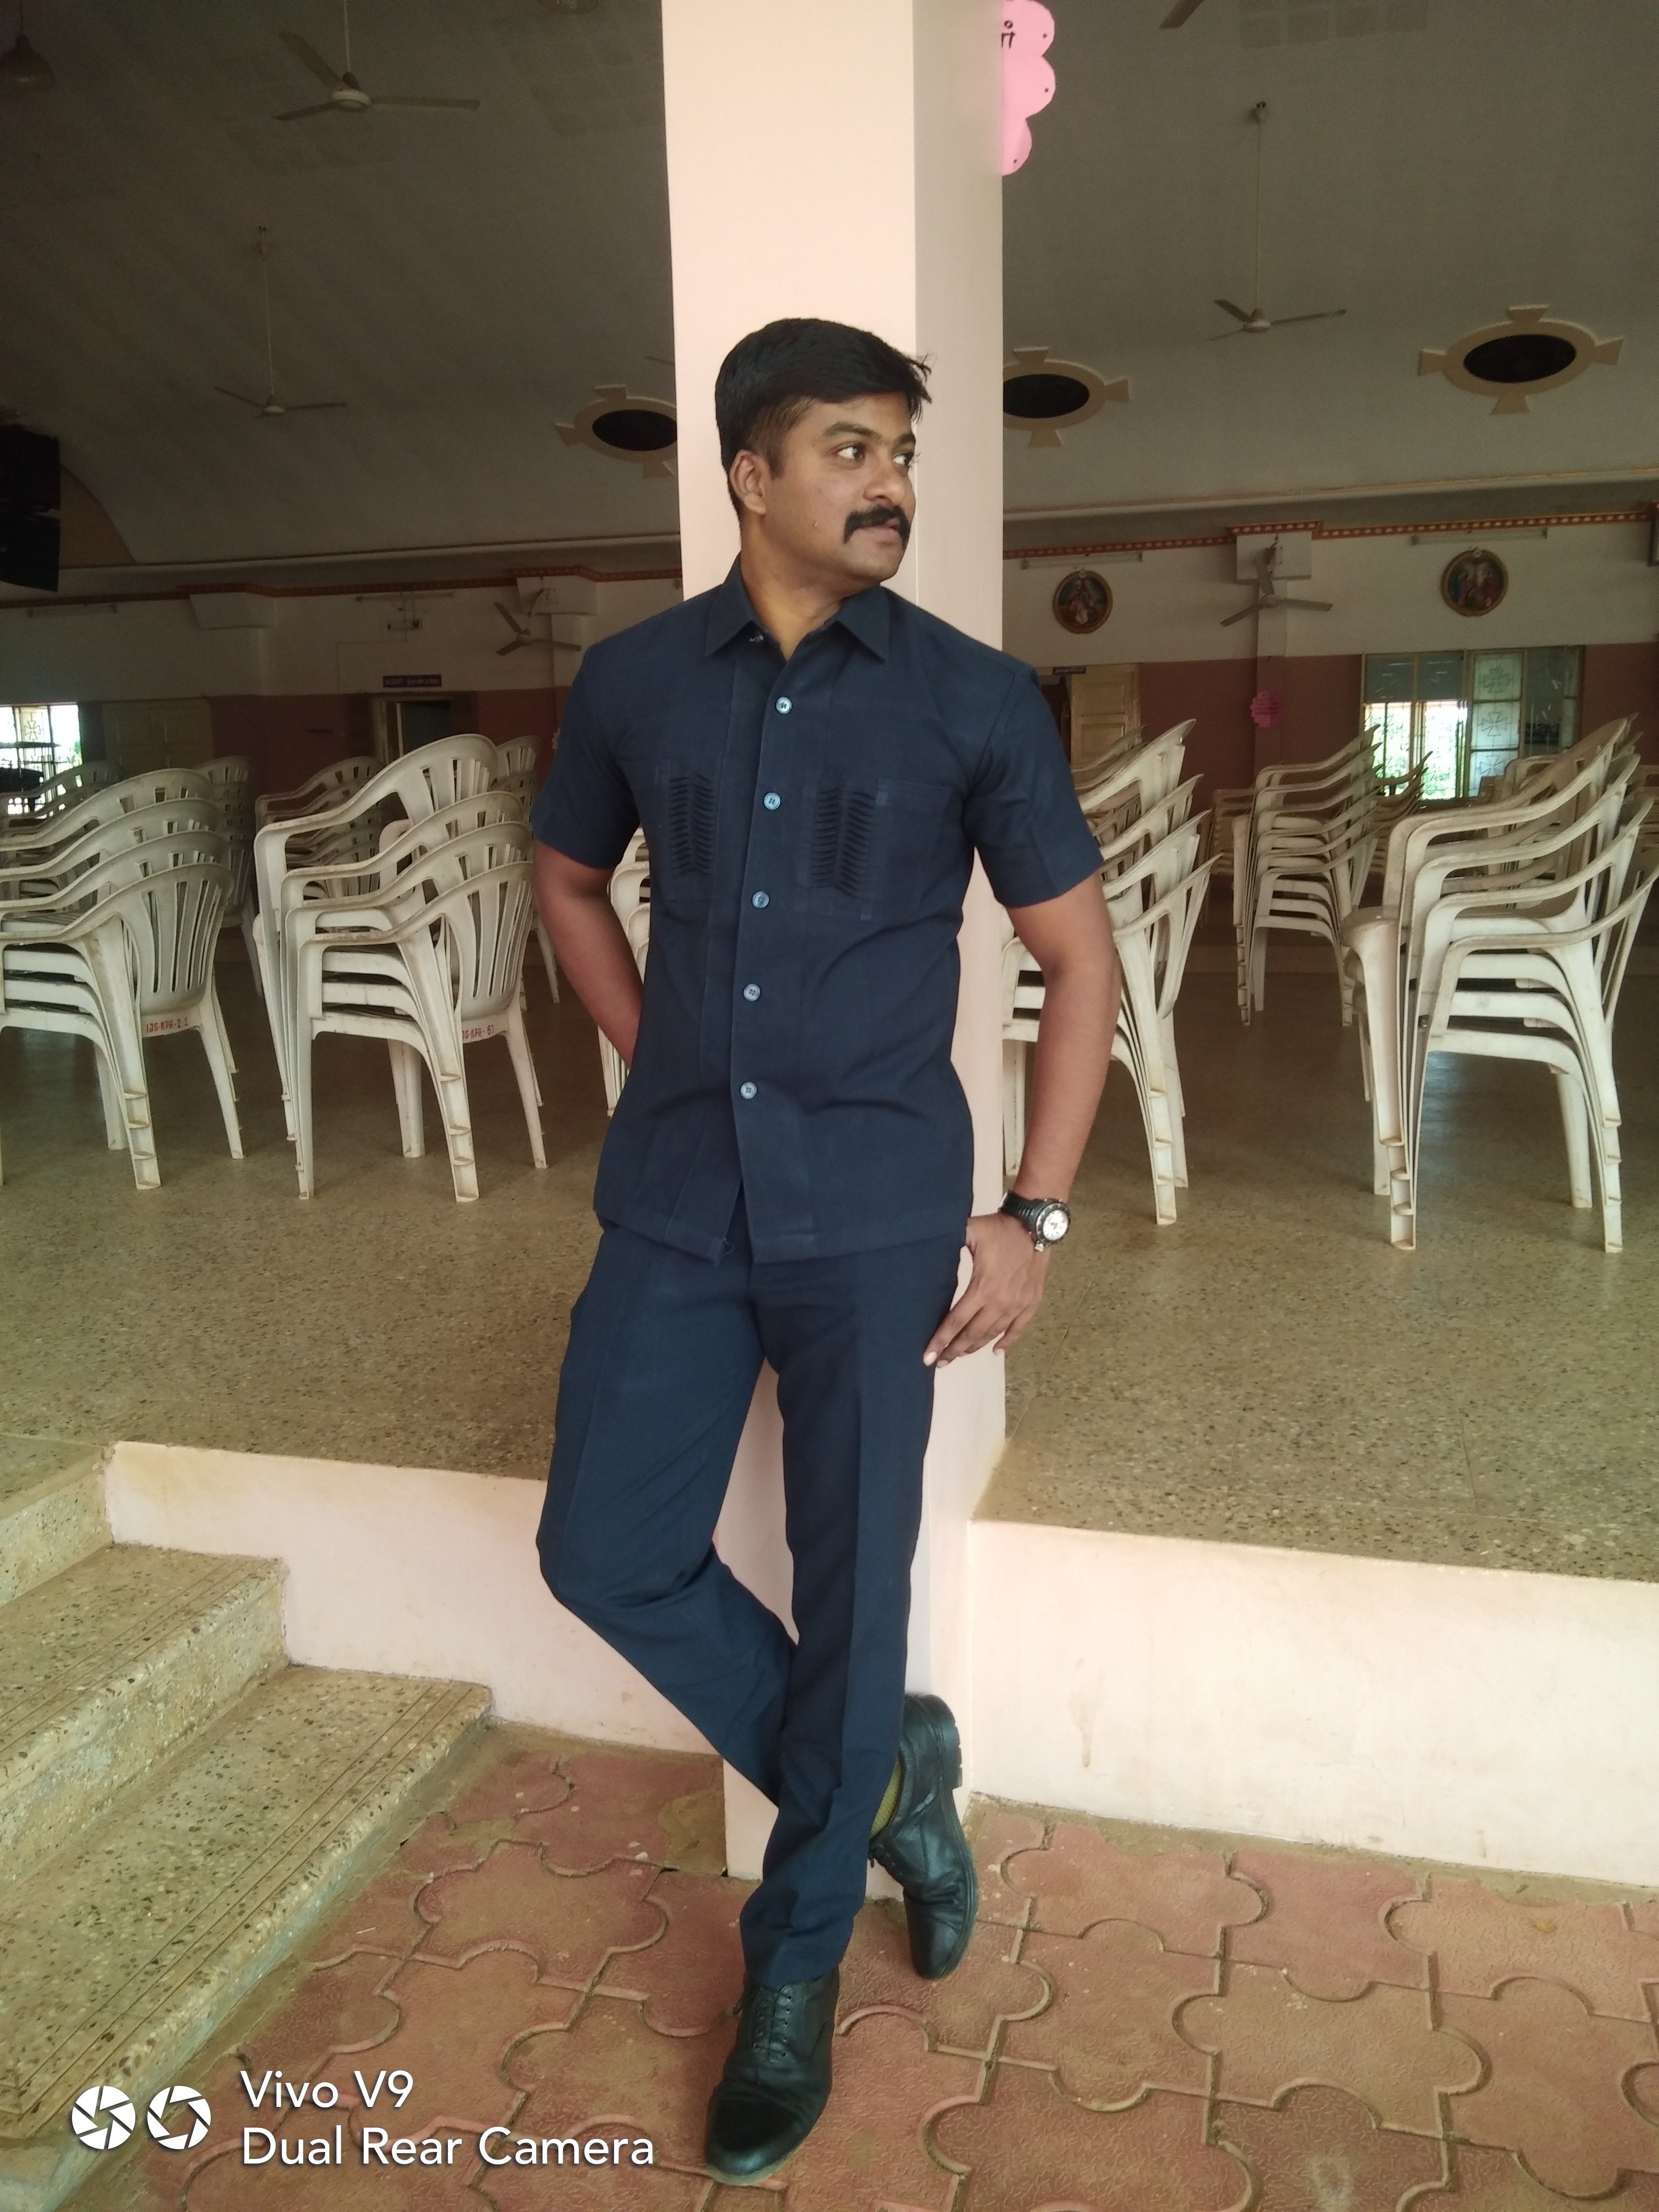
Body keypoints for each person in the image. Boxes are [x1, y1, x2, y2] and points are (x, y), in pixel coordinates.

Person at [532, 317, 1118, 2185]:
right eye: (850, 450)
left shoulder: (975, 699)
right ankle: (883, 1770)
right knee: (601, 1547)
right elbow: (566, 877)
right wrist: (660, 1051)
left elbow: (1079, 960)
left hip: (876, 1218)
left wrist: (1033, 1213)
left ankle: (790, 1974)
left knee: (855, 1591)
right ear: (749, 474)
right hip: (679, 1199)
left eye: (899, 453)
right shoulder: (634, 682)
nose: (889, 485)